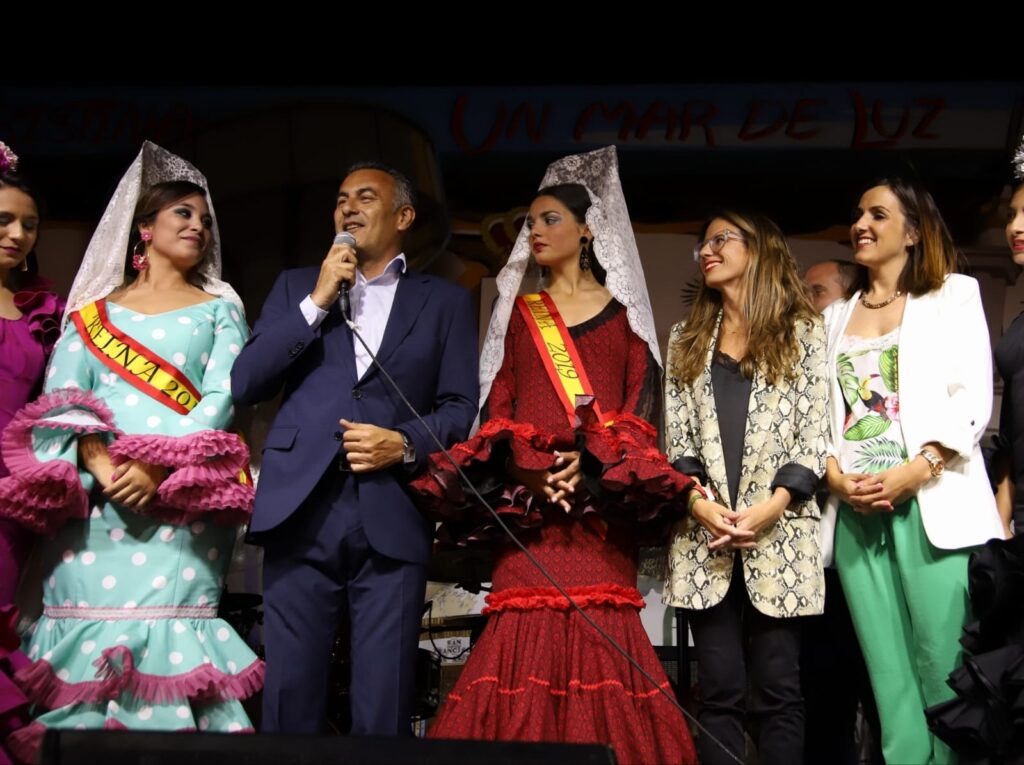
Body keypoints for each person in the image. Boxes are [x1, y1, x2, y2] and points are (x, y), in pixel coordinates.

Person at [411, 147, 697, 765]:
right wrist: (529, 474)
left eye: (549, 221)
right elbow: (499, 413)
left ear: (589, 230)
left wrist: (588, 472)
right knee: (519, 637)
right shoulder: (520, 314)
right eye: (530, 224)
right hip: (532, 516)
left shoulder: (628, 322)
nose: (534, 232)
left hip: (597, 517)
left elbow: (639, 419)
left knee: (607, 641)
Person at [0, 142, 262, 763]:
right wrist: (99, 464)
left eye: (204, 219)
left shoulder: (221, 308)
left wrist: (157, 465)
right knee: (84, 646)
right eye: (183, 215)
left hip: (181, 496)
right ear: (144, 229)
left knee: (173, 633)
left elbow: (224, 393)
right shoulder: (91, 313)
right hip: (97, 504)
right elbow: (67, 393)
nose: (198, 226)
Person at [231, 161, 478, 736]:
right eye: (341, 199)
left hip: (391, 508)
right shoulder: (298, 286)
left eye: (366, 197)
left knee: (384, 695)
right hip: (301, 505)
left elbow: (462, 409)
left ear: (404, 216)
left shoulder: (443, 302)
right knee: (290, 690)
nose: (348, 208)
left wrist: (406, 443)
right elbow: (247, 383)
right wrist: (317, 300)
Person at [821, 177, 1004, 764]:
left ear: (914, 231)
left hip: (930, 504)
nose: (862, 225)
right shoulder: (834, 317)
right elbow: (818, 419)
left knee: (944, 674)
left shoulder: (953, 294)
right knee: (889, 685)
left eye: (878, 213)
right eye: (858, 214)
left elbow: (971, 398)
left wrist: (916, 469)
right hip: (856, 515)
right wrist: (835, 479)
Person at [664, 210, 829, 765]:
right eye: (702, 243)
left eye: (720, 240)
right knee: (719, 695)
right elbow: (677, 442)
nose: (706, 251)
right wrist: (700, 504)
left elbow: (814, 434)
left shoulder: (805, 332)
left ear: (758, 250)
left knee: (780, 693)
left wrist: (773, 507)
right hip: (704, 536)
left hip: (778, 534)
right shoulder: (684, 338)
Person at [0, 140, 63, 765]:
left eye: (28, 225)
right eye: (3, 221)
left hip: (13, 497)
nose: (17, 234)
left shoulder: (40, 311)